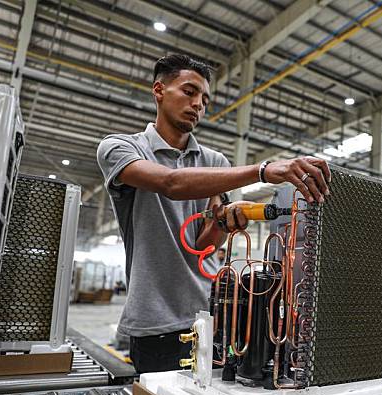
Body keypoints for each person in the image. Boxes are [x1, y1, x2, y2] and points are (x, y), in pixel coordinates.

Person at [96, 54, 330, 373]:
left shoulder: (215, 161)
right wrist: (262, 170)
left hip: (211, 316)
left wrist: (223, 222)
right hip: (154, 322)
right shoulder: (121, 148)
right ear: (159, 90)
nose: (198, 105)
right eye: (189, 92)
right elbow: (170, 182)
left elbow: (204, 245)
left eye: (205, 100)